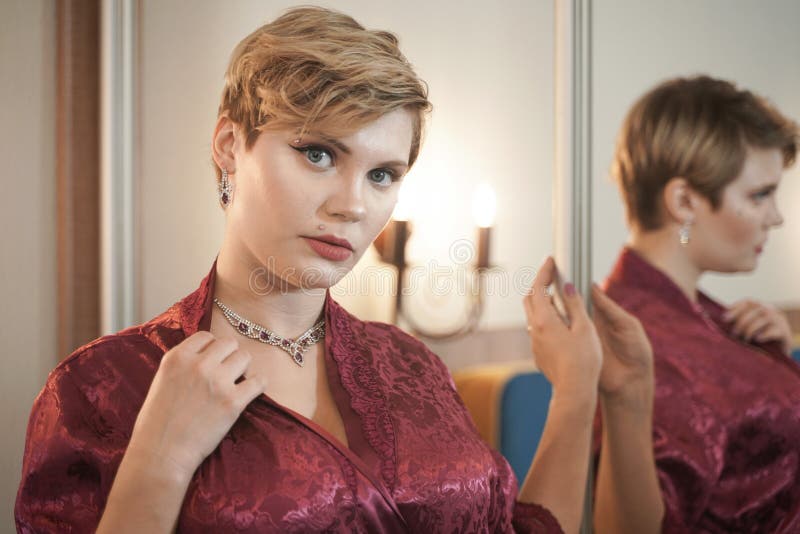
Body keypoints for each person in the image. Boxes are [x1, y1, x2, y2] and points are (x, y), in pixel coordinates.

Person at [16, 7, 658, 533]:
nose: (352, 205)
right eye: (318, 153)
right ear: (229, 146)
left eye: (382, 175)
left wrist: (577, 393)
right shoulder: (104, 388)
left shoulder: (415, 369)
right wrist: (158, 465)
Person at [596, 75, 800, 533]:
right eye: (760, 195)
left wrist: (774, 358)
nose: (777, 216)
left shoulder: (702, 319)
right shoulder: (642, 341)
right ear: (684, 201)